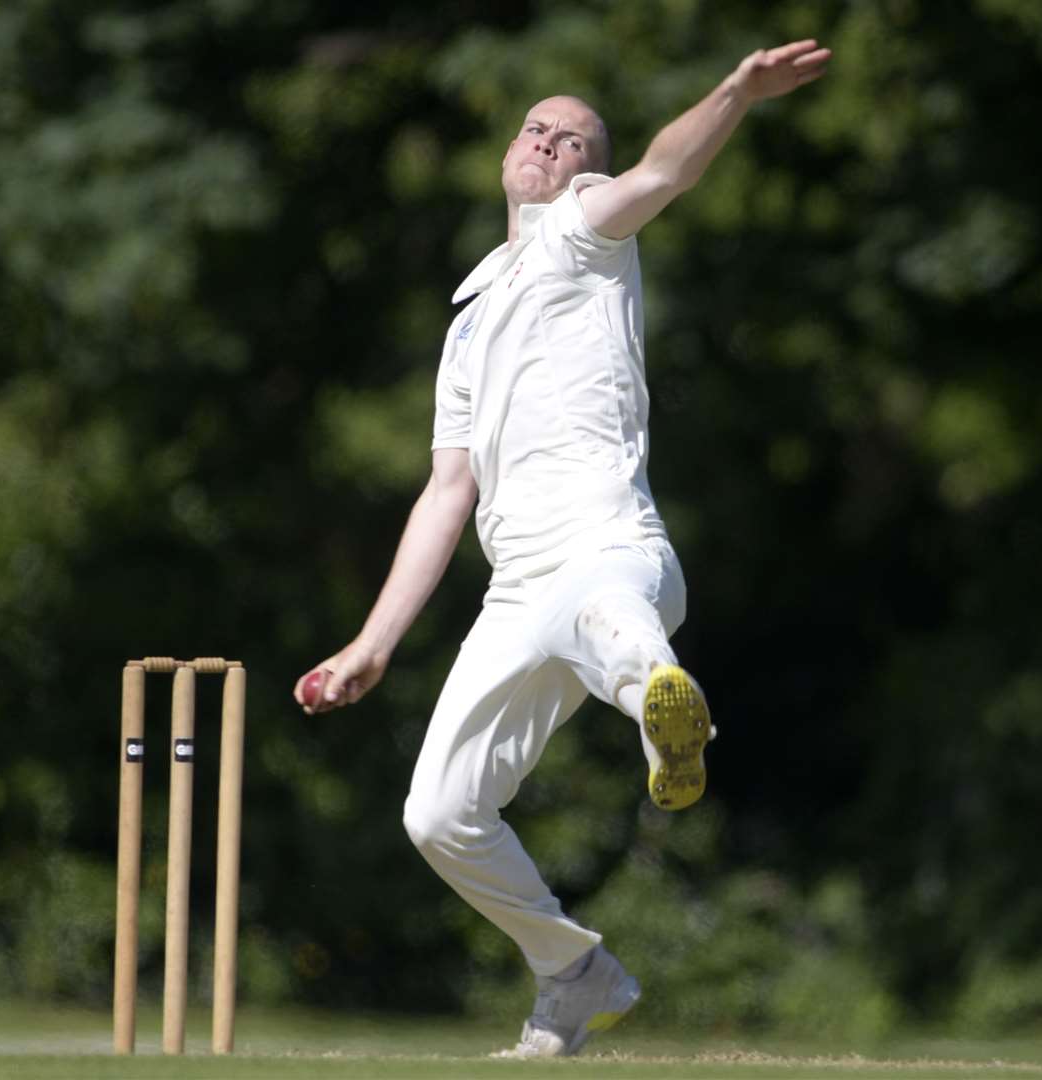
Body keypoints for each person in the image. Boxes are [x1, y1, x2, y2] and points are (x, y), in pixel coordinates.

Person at [295, 38, 832, 1057]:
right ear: (508, 149)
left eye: (569, 137)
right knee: (438, 815)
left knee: (613, 621)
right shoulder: (467, 314)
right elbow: (447, 492)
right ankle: (573, 972)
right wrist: (371, 645)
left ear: (585, 171)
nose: (546, 142)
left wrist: (731, 91)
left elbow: (669, 168)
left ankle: (664, 719)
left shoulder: (581, 232)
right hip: (514, 585)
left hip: (606, 542)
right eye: (535, 128)